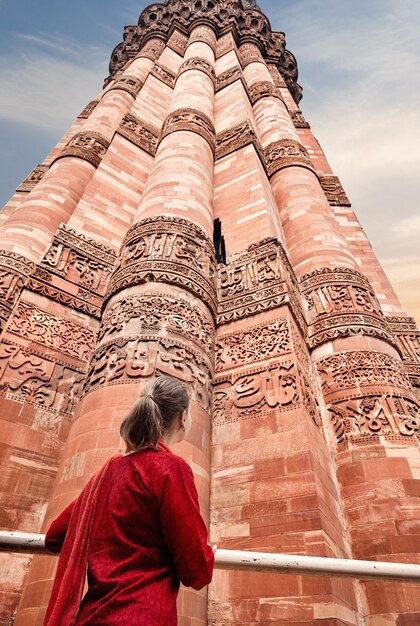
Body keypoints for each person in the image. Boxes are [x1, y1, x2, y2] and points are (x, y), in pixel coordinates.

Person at [43, 375, 215, 626]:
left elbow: (55, 536)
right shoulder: (171, 469)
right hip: (143, 616)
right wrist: (207, 554)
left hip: (92, 616)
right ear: (183, 417)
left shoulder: (108, 472)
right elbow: (195, 571)